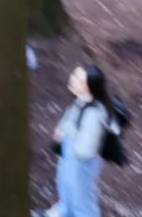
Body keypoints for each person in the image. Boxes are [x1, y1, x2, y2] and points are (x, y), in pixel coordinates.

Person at [48, 65, 121, 217]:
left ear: (89, 88)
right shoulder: (80, 101)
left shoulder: (95, 115)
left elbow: (84, 150)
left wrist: (67, 133)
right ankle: (64, 209)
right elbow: (69, 117)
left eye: (79, 80)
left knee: (81, 200)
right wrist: (62, 129)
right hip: (70, 159)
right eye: (74, 75)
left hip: (81, 165)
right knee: (66, 188)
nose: (72, 79)